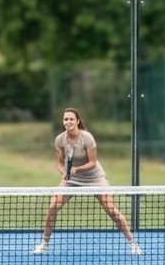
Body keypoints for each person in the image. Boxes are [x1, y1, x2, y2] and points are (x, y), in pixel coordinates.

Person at [32, 107, 141, 255]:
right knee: (53, 206)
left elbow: (93, 162)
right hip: (71, 179)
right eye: (65, 119)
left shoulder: (87, 138)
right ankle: (44, 244)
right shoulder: (59, 140)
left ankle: (133, 243)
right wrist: (64, 172)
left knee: (111, 209)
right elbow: (59, 162)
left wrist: (76, 169)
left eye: (71, 119)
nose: (68, 122)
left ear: (77, 121)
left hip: (95, 178)